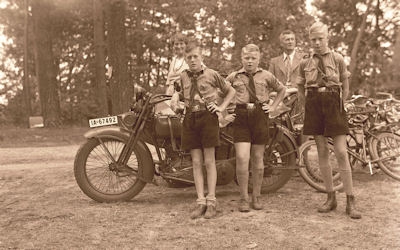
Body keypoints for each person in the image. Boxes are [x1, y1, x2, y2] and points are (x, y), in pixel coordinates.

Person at [296, 22, 361, 219]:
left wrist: (340, 105)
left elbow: (346, 85)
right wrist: (304, 106)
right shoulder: (304, 63)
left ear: (327, 38)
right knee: (322, 151)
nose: (316, 43)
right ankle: (330, 197)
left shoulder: (338, 58)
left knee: (341, 152)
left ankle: (350, 200)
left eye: (320, 39)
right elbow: (300, 87)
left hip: (334, 102)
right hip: (314, 103)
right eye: (313, 39)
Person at [172, 42, 235, 219]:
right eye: (189, 57)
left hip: (208, 118)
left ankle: (212, 201)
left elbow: (230, 91)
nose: (192, 60)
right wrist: (176, 98)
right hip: (190, 119)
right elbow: (176, 91)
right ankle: (200, 201)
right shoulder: (183, 76)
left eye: (195, 57)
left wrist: (221, 108)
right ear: (185, 58)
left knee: (209, 161)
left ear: (201, 57)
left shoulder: (211, 74)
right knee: (196, 161)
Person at [226, 44, 286, 212]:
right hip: (241, 116)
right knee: (242, 157)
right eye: (247, 58)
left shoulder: (266, 75)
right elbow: (221, 92)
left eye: (253, 58)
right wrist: (223, 114)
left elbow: (282, 89)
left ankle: (256, 196)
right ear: (242, 59)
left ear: (258, 59)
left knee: (258, 159)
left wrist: (273, 107)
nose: (250, 61)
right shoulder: (234, 77)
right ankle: (243, 198)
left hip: (260, 116)